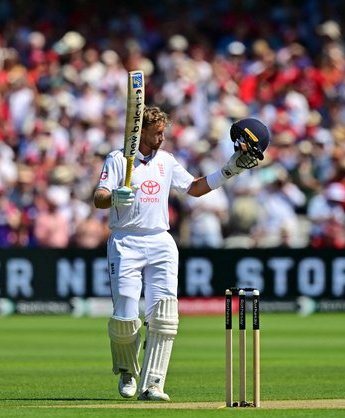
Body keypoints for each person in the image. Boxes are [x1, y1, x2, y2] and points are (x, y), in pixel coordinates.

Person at [93, 106, 270, 401]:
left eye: (164, 132)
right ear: (141, 132)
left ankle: (153, 384)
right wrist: (113, 196)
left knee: (164, 314)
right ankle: (127, 370)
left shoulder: (167, 161)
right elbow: (98, 198)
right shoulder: (118, 159)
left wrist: (230, 169)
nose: (162, 138)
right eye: (157, 133)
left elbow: (195, 188)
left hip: (161, 240)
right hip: (126, 241)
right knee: (125, 311)